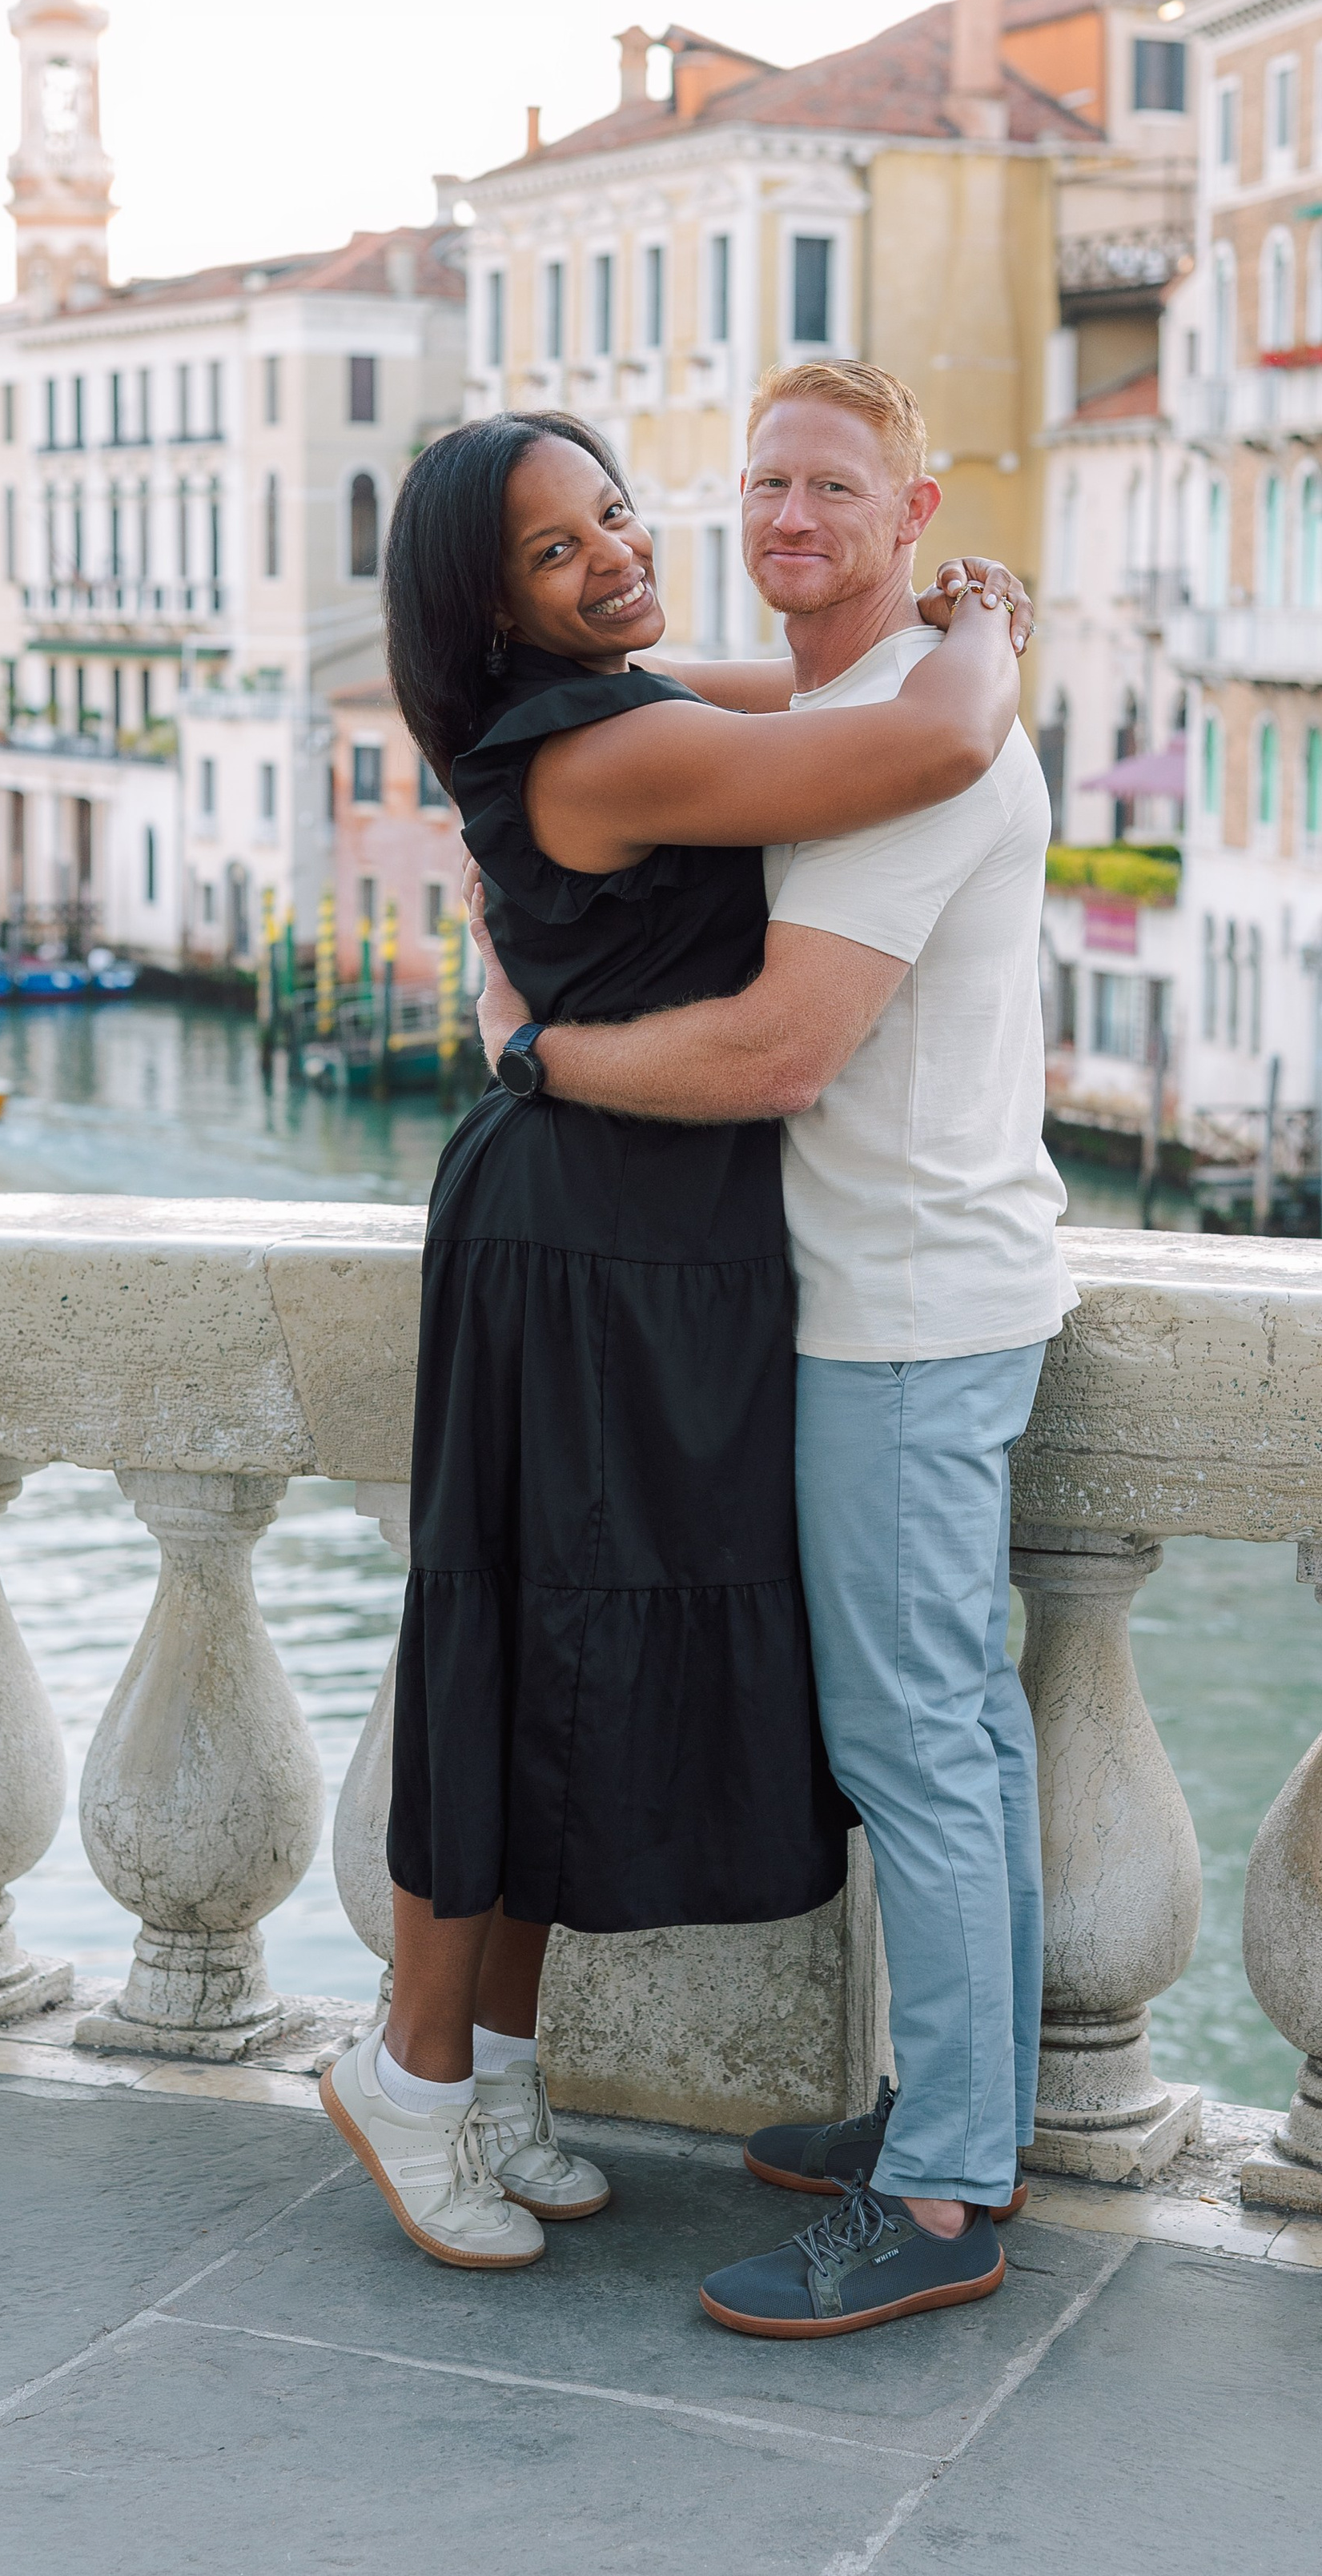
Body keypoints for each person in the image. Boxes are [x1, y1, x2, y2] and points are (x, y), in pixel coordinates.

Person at [321, 405, 1030, 2272]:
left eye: (615, 514)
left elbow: (814, 695)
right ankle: (410, 2076)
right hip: (570, 1236)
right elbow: (929, 738)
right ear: (491, 609)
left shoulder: (620, 703)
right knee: (505, 1651)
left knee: (570, 1663)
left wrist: (929, 615)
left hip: (652, 1243)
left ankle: (495, 2075)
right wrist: (985, 625)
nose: (612, 556)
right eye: (553, 552)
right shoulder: (601, 744)